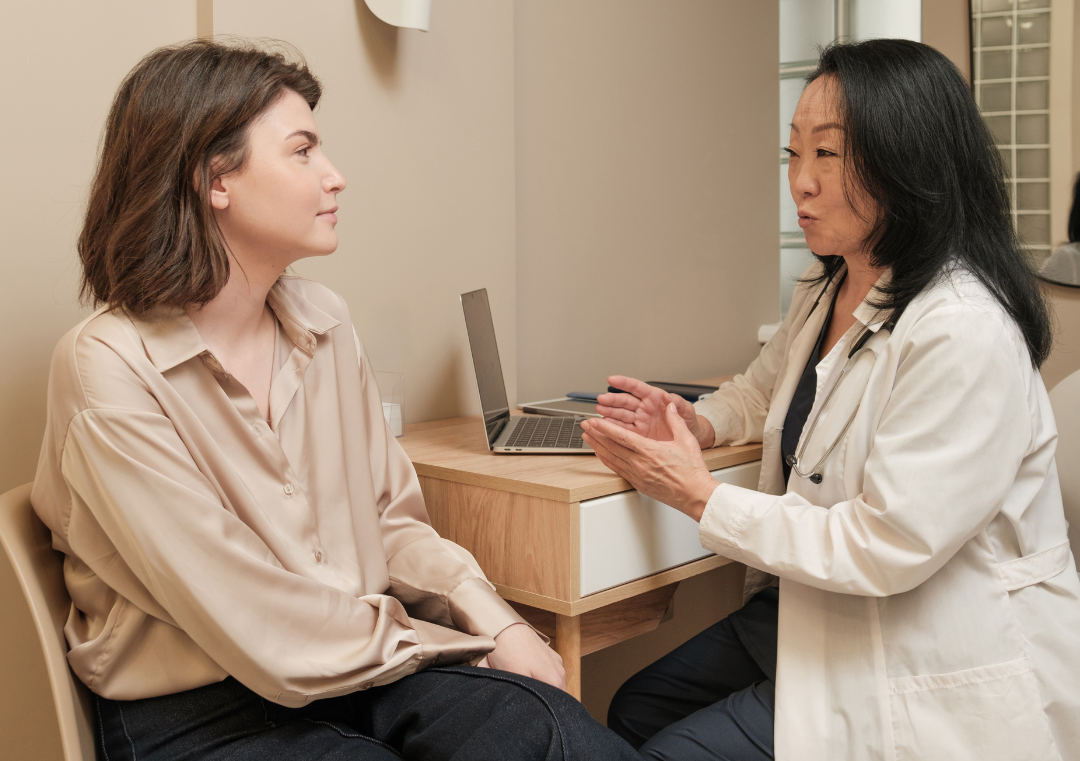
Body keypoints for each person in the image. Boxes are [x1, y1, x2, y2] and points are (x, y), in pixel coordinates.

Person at [31, 40, 638, 761]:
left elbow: (388, 521)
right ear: (214, 179)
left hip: (358, 667)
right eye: (302, 151)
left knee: (553, 731)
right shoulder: (108, 365)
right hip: (200, 710)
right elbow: (260, 624)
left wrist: (492, 615)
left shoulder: (325, 320)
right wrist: (445, 642)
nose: (335, 175)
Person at [581, 39, 1080, 761]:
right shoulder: (829, 284)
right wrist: (700, 421)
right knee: (635, 707)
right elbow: (766, 388)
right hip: (818, 608)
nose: (801, 183)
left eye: (828, 154)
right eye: (793, 153)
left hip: (921, 641)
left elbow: (887, 544)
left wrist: (698, 495)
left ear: (908, 163)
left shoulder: (962, 328)